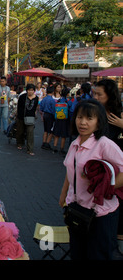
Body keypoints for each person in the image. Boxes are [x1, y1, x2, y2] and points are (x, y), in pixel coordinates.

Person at [58, 99, 123, 260]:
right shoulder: (75, 143)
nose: (83, 123)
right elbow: (70, 170)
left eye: (89, 118)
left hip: (101, 215)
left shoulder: (104, 144)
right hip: (78, 211)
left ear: (99, 122)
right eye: (80, 117)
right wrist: (63, 194)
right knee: (78, 254)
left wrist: (107, 187)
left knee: (98, 255)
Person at [93, 79, 123, 254]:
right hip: (98, 173)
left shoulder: (118, 114)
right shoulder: (95, 112)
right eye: (94, 94)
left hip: (117, 174)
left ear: (109, 96)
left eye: (100, 95)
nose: (96, 97)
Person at [16, 84, 39, 156]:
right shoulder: (22, 97)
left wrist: (35, 115)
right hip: (21, 117)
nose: (30, 92)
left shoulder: (36, 98)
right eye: (29, 90)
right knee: (20, 131)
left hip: (30, 118)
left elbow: (35, 107)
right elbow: (18, 107)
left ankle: (30, 149)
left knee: (30, 133)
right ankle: (20, 143)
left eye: (32, 90)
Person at [52, 87, 72, 155]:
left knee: (57, 133)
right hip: (65, 120)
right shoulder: (68, 101)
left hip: (58, 119)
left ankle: (55, 147)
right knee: (64, 135)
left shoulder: (59, 100)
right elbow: (70, 110)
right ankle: (62, 148)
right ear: (67, 94)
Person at [39, 86, 56, 150]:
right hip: (50, 115)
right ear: (52, 92)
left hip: (45, 114)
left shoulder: (44, 99)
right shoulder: (52, 100)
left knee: (45, 130)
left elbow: (41, 108)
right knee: (51, 130)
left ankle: (44, 142)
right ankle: (47, 143)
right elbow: (54, 110)